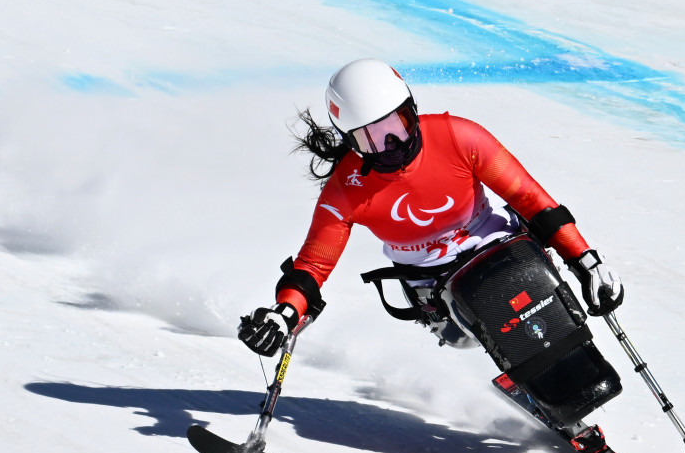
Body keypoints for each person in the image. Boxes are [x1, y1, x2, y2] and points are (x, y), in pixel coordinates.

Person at [238, 58, 624, 357]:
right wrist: (284, 313)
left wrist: (585, 261)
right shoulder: (345, 191)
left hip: (499, 247)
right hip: (434, 284)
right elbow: (312, 267)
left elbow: (530, 200)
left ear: (412, 108)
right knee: (475, 316)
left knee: (536, 290)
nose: (393, 143)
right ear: (352, 143)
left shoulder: (459, 135)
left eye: (400, 124)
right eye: (374, 138)